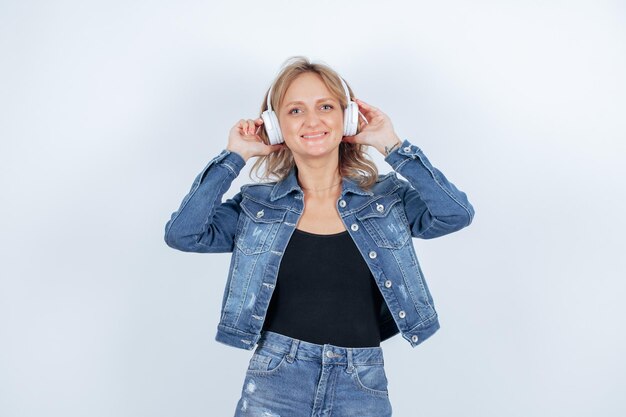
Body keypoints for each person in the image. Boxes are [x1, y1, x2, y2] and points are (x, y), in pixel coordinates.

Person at [164, 56, 475, 416]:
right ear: (275, 127)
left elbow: (455, 214)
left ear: (348, 118)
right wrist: (234, 157)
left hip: (362, 382)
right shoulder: (256, 207)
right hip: (276, 382)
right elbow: (183, 234)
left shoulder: (388, 199)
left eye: (326, 106)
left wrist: (393, 145)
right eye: (295, 111)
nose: (312, 120)